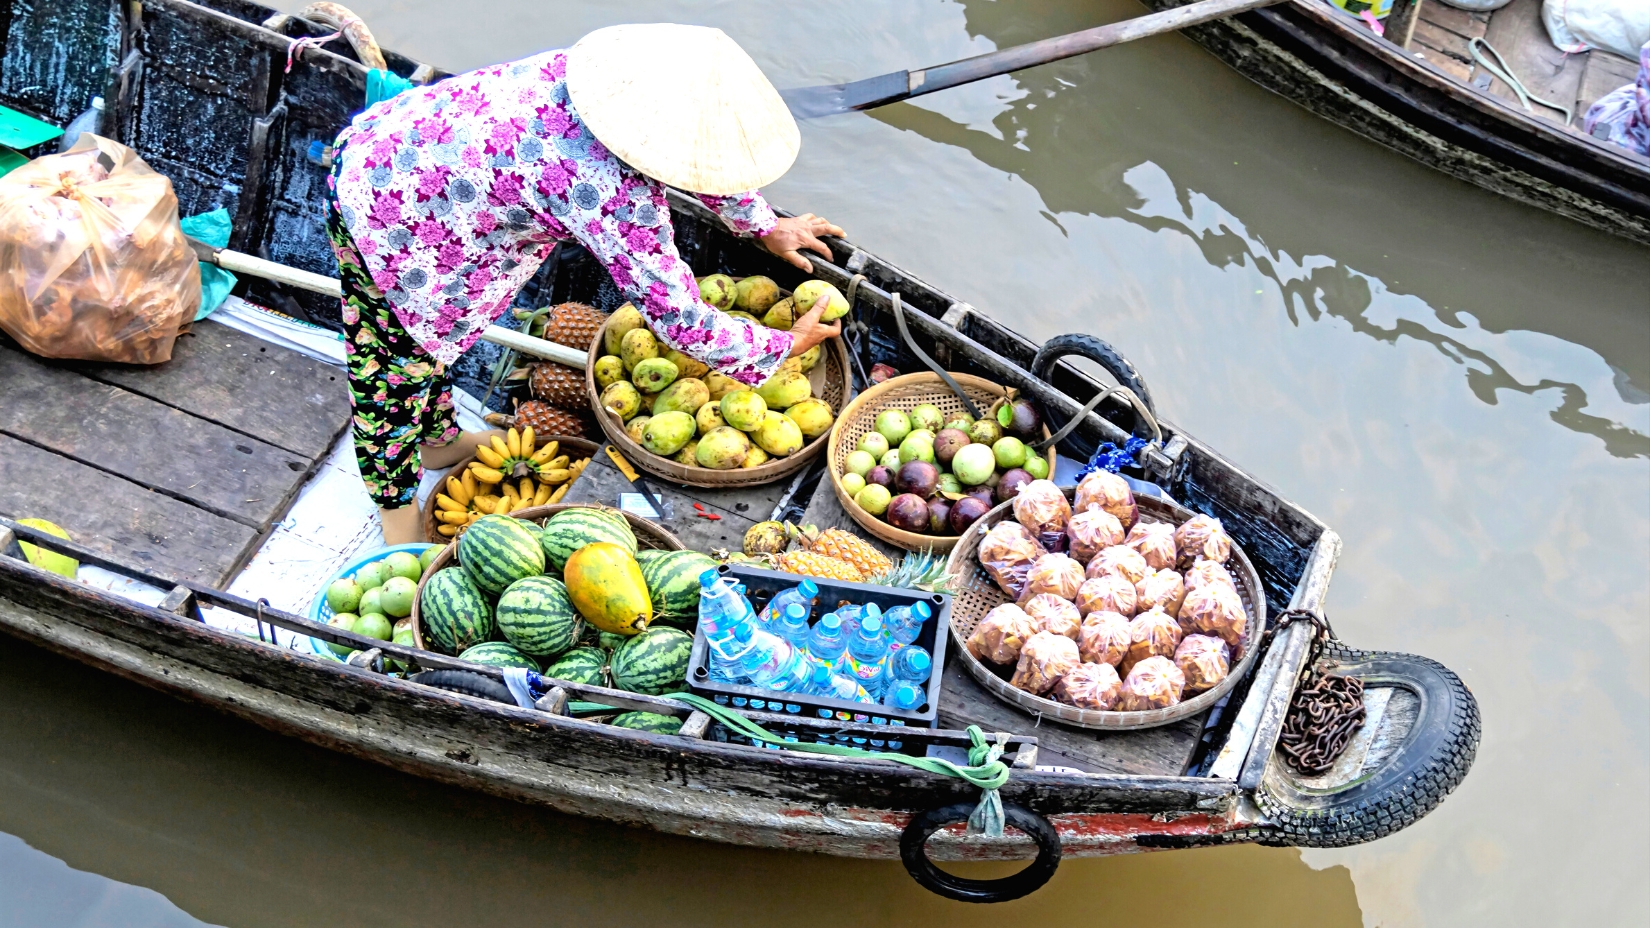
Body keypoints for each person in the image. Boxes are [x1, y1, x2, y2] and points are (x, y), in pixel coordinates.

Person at [325, 23, 844, 544]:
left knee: (427, 346)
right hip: (387, 221)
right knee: (392, 374)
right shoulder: (609, 193)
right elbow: (681, 319)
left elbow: (699, 158)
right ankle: (394, 514)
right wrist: (779, 346)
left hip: (414, 158)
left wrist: (764, 223)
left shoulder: (586, 78)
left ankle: (438, 440)